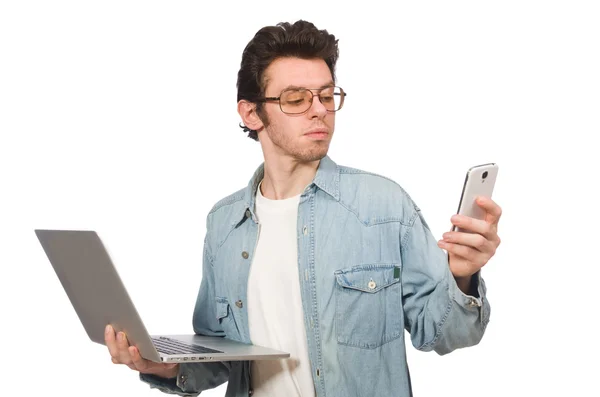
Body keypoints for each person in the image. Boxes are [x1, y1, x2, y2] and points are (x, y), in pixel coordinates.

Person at [104, 20, 502, 397]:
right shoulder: (223, 223)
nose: (319, 110)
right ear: (250, 113)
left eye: (327, 96)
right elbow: (221, 355)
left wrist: (462, 277)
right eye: (296, 98)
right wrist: (165, 367)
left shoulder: (384, 205)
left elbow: (444, 334)